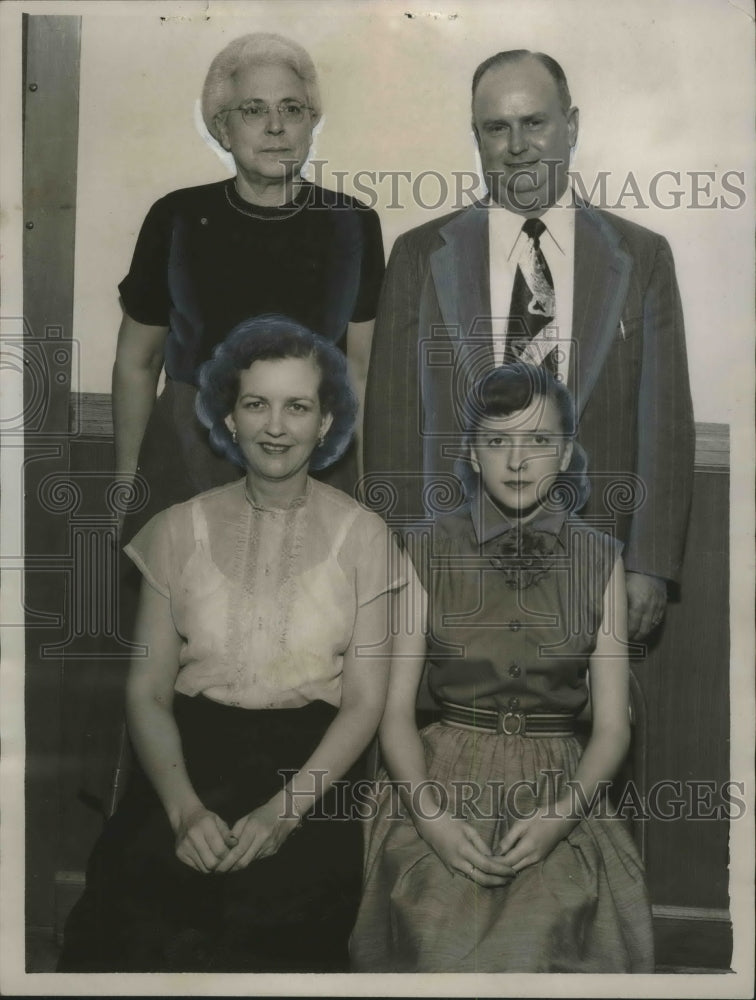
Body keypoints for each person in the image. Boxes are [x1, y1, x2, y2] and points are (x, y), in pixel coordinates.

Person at [58, 316, 404, 972]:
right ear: (231, 418)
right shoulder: (174, 530)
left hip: (311, 776)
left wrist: (283, 815)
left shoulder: (366, 537)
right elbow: (148, 692)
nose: (276, 426)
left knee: (274, 935)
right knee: (134, 922)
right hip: (186, 762)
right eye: (257, 405)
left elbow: (364, 703)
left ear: (326, 422)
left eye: (298, 406)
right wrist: (185, 812)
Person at [363, 48, 694, 641]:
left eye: (535, 123)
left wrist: (649, 566)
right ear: (478, 138)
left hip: (595, 559)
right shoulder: (418, 256)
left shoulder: (641, 258)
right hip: (451, 563)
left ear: (571, 126)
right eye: (497, 128)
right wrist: (401, 564)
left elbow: (664, 424)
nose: (517, 145)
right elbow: (391, 425)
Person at [351, 363, 654, 972]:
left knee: (544, 936)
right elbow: (394, 715)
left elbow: (614, 727)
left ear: (566, 454)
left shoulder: (601, 560)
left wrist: (559, 819)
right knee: (437, 937)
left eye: (539, 441)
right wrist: (431, 820)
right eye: (497, 441)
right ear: (471, 453)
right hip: (438, 781)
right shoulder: (426, 548)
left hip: (560, 788)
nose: (517, 461)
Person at [114, 32, 384, 536]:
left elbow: (362, 370)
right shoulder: (176, 216)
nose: (276, 127)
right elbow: (137, 361)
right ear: (223, 126)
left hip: (315, 457)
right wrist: (129, 483)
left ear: (311, 122)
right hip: (190, 455)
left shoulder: (353, 222)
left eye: (293, 109)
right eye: (254, 110)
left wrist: (366, 491)